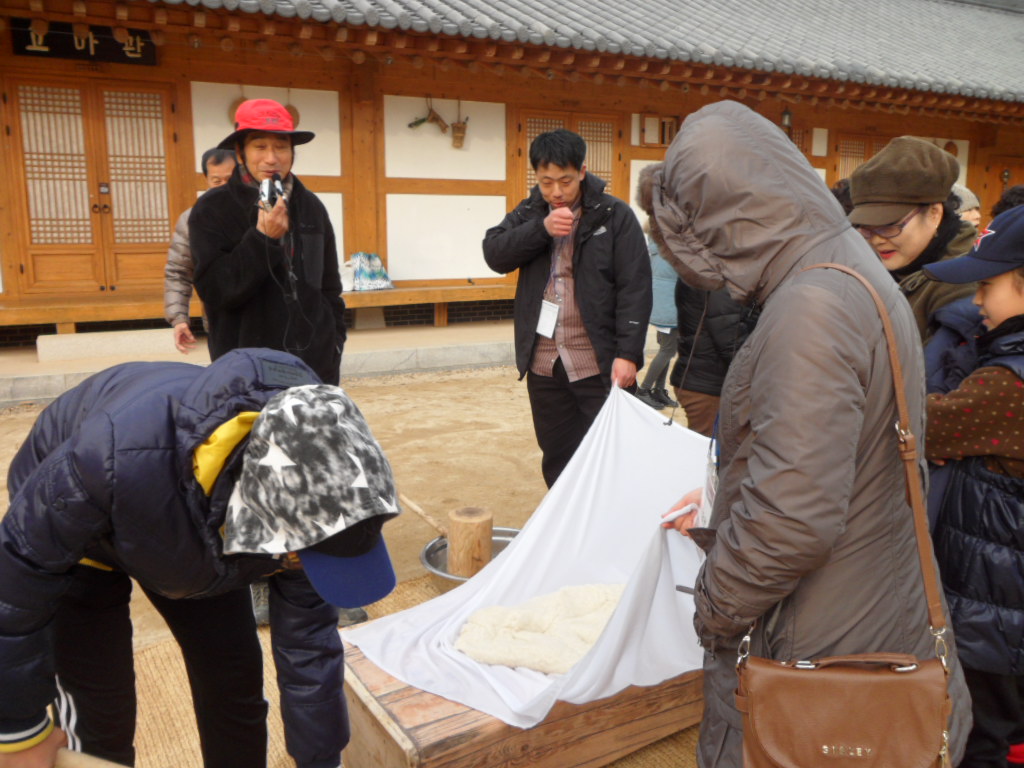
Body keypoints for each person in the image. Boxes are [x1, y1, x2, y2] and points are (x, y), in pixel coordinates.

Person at [651, 101, 970, 768]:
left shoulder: (813, 306)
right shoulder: (847, 271)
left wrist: (714, 606)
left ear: (722, 220)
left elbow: (791, 518)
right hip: (869, 606)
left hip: (822, 640)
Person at [0, 348, 400, 768]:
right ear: (257, 514)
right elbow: (18, 574)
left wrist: (321, 761)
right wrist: (17, 731)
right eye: (299, 558)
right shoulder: (110, 454)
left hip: (192, 529)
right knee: (100, 707)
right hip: (87, 529)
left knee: (233, 680)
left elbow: (309, 649)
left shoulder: (322, 500)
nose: (301, 565)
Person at [482, 129, 651, 487]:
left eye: (565, 181)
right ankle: (565, 517)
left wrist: (628, 354)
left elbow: (635, 286)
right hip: (544, 361)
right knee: (557, 453)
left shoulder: (614, 215)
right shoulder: (530, 211)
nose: (556, 191)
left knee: (612, 452)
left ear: (582, 172)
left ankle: (609, 517)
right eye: (546, 182)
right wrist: (541, 229)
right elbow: (494, 254)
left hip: (597, 360)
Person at [922, 204, 1024, 768]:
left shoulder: (1009, 382)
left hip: (996, 606)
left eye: (988, 285)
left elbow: (920, 427)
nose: (977, 300)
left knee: (979, 734)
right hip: (1002, 600)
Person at [190, 98, 346, 386]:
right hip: (245, 366)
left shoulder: (311, 206)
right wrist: (262, 238)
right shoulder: (212, 208)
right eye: (260, 146)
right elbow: (215, 291)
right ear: (240, 153)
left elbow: (329, 287)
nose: (272, 158)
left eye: (281, 147)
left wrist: (334, 341)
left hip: (314, 363)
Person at [634, 162, 755, 434]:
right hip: (706, 379)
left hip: (695, 361)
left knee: (669, 349)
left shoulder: (687, 246)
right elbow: (728, 331)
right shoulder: (706, 257)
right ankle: (645, 389)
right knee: (667, 349)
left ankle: (656, 389)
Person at [848, 136, 977, 344]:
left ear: (934, 213)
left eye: (889, 225)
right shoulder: (869, 267)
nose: (877, 240)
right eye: (865, 228)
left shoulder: (961, 285)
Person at [164, 148, 236, 354]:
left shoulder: (261, 212)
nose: (224, 187)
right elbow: (178, 271)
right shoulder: (191, 219)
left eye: (230, 179)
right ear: (206, 180)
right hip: (217, 321)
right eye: (217, 181)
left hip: (264, 320)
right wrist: (179, 318)